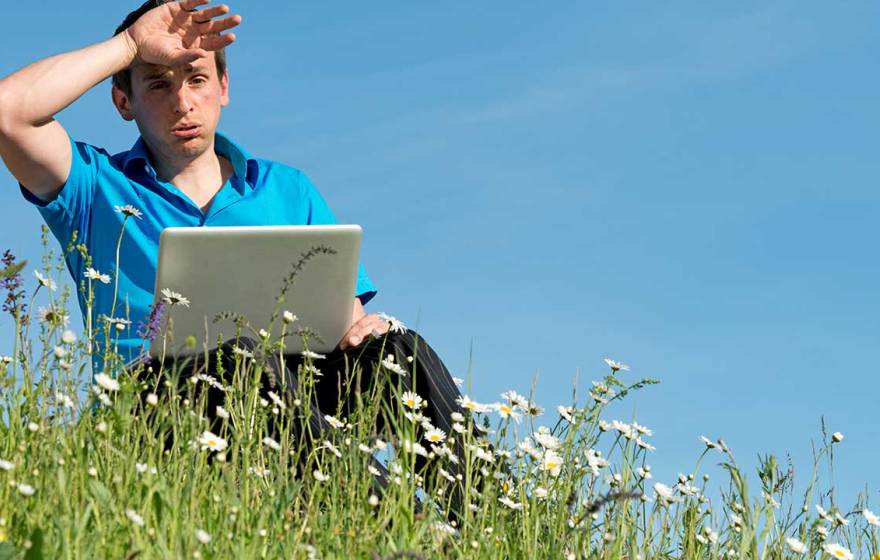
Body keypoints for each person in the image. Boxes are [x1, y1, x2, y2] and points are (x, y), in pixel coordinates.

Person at [0, 0, 477, 518]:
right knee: (237, 358)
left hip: (290, 400)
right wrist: (130, 47)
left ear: (223, 89)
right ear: (123, 101)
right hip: (154, 409)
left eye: (197, 79)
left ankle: (504, 528)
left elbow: (341, 317)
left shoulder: (287, 189)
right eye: (158, 84)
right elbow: (9, 112)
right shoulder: (93, 186)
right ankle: (406, 530)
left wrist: (365, 328)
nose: (183, 102)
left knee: (396, 350)